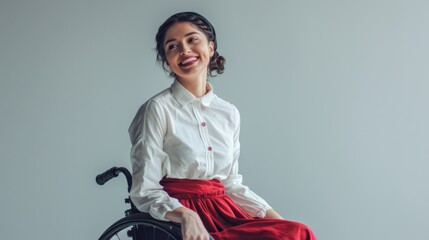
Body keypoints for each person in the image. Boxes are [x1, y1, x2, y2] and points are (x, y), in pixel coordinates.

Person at [128, 11, 317, 240]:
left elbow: (230, 183)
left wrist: (275, 218)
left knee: (296, 232)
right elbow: (145, 191)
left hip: (224, 210)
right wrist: (186, 216)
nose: (184, 50)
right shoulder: (157, 109)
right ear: (167, 61)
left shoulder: (228, 113)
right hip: (180, 214)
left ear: (210, 47)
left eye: (192, 39)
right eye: (172, 46)